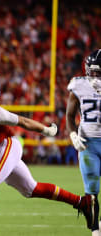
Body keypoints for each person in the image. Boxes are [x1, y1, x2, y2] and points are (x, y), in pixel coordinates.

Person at [0, 94, 95, 236]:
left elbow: (22, 121)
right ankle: (82, 203)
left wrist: (47, 131)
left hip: (7, 145)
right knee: (31, 189)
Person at [66, 48, 101, 235]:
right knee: (92, 191)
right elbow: (70, 115)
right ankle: (95, 231)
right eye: (92, 72)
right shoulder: (79, 85)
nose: (95, 76)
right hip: (89, 144)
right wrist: (73, 135)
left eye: (99, 72)